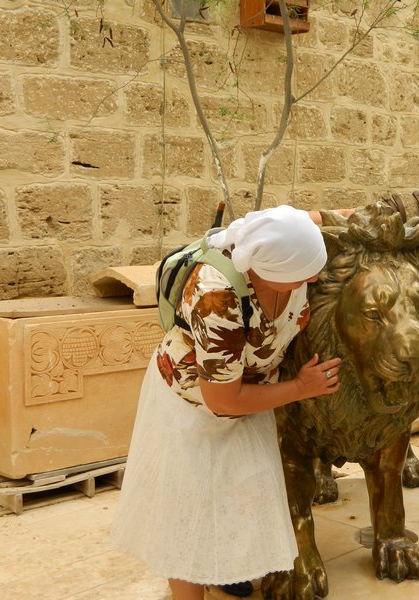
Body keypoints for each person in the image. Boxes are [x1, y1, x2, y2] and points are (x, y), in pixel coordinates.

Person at [111, 204, 342, 600]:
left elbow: (299, 223)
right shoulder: (215, 298)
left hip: (252, 394)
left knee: (241, 493)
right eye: (306, 272)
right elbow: (224, 401)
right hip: (193, 407)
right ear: (271, 270)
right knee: (188, 515)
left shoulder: (280, 245)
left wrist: (351, 214)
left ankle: (224, 564)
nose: (315, 278)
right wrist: (302, 387)